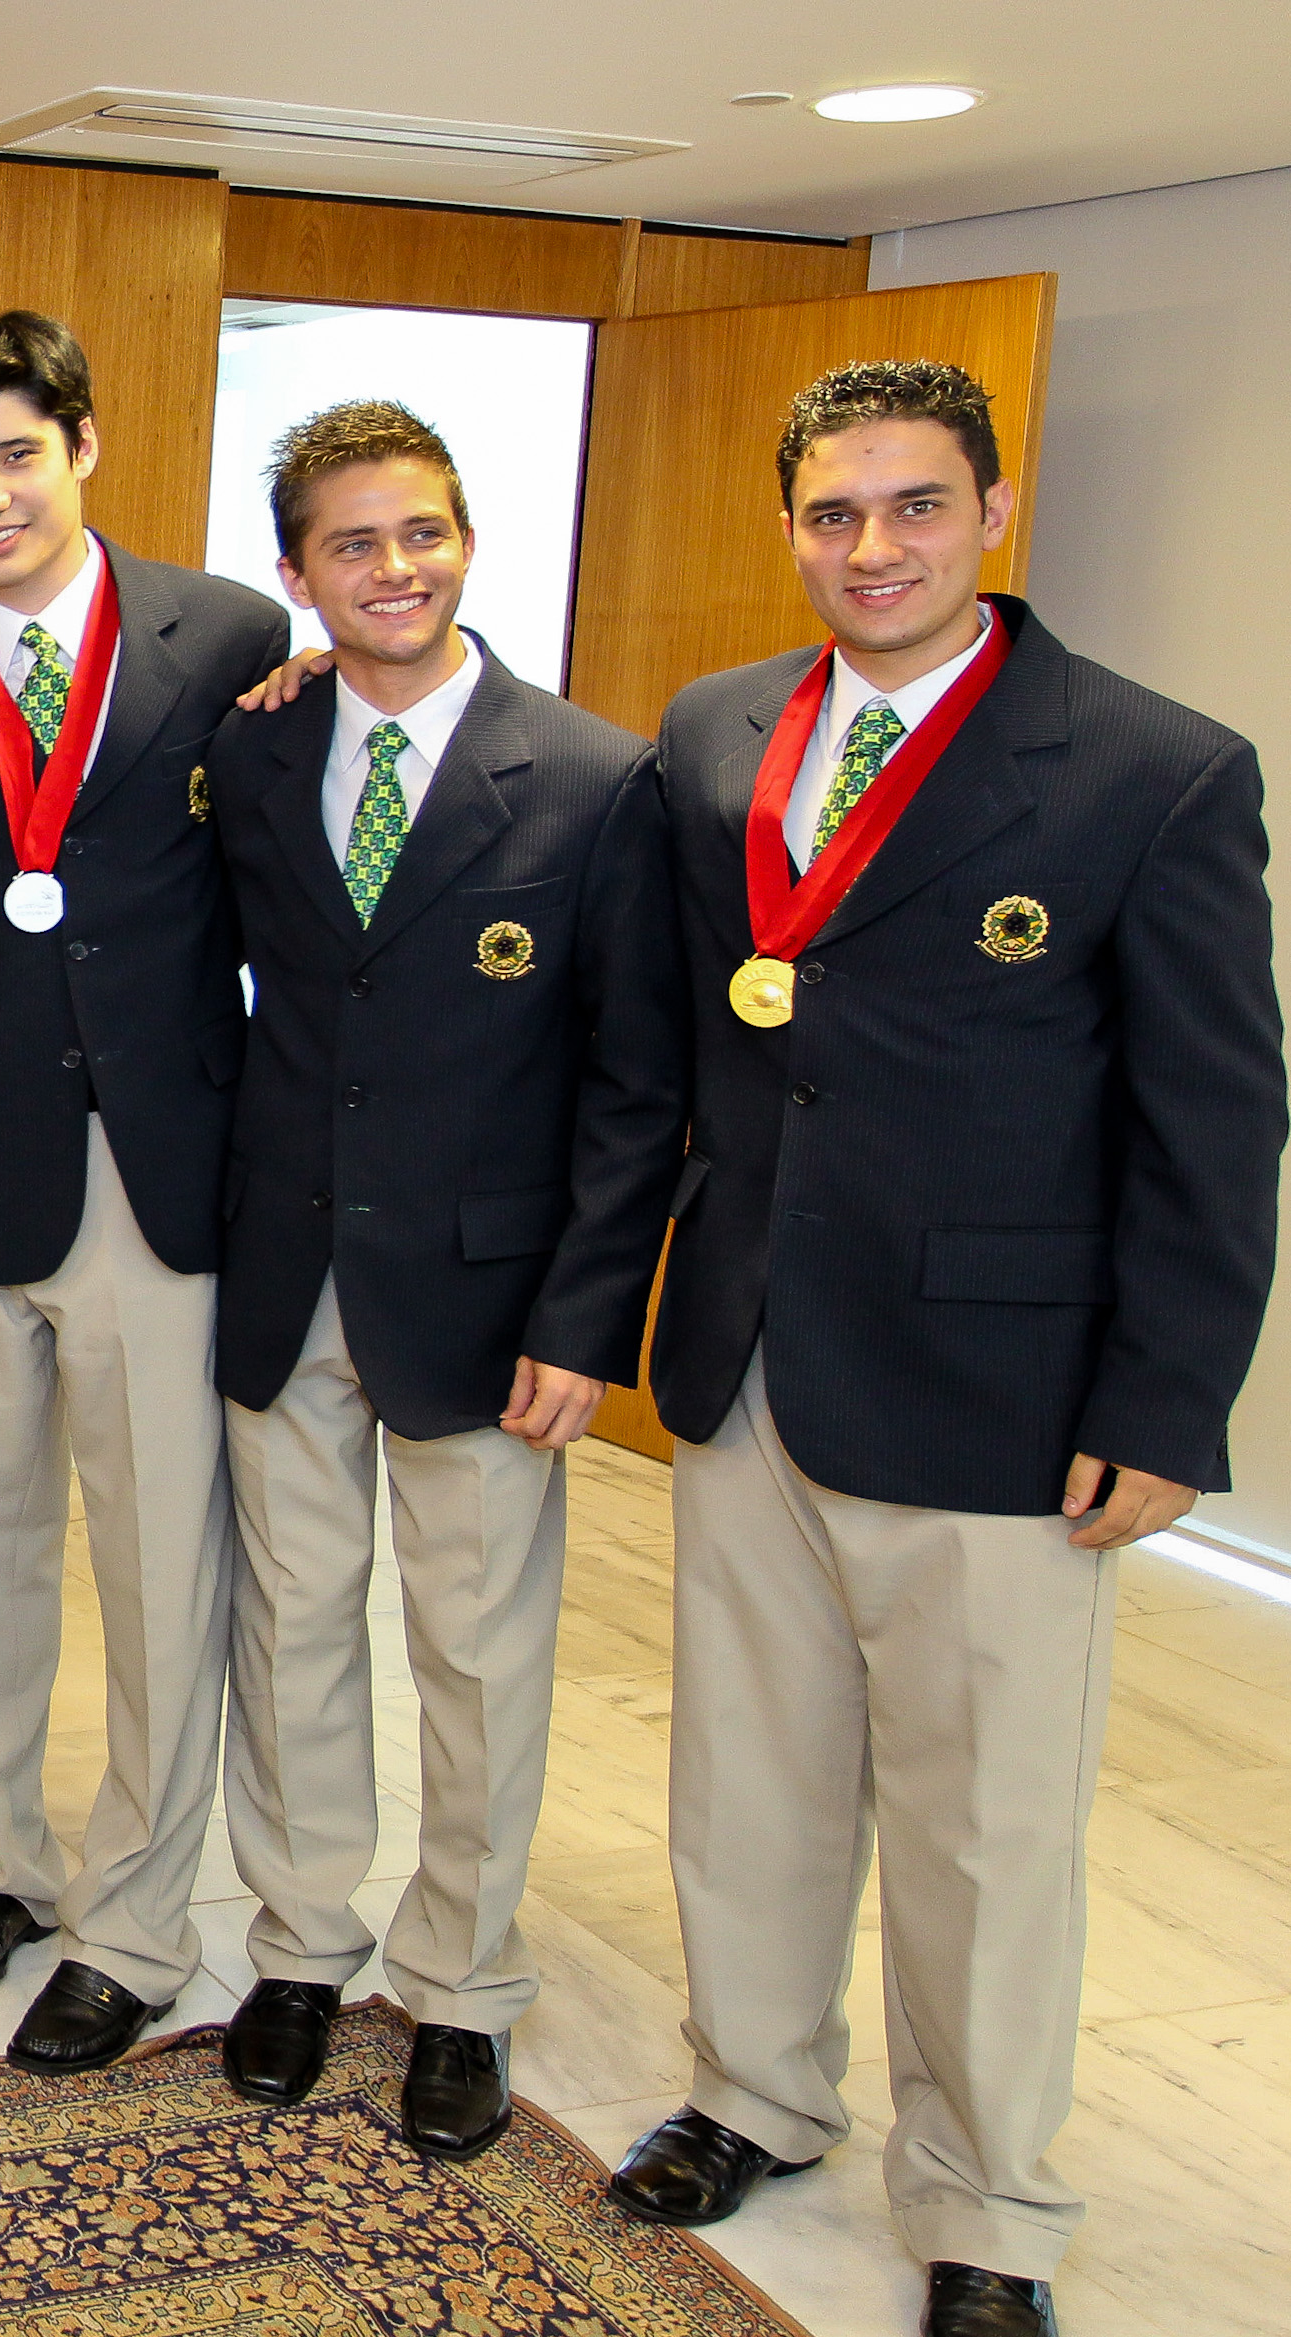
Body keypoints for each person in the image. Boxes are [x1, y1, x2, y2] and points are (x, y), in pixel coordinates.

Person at [608, 361, 1281, 2337]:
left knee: (984, 1829)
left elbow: (1214, 1116)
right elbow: (682, 1038)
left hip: (1000, 1395)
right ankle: (753, 2088)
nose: (871, 546)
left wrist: (1165, 1396)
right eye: (832, 512)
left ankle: (988, 2202)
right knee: (749, 1775)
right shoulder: (722, 731)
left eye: (913, 506)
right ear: (792, 527)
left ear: (993, 511)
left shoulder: (1148, 768)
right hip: (744, 1359)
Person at [202, 402, 683, 2154]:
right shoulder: (251, 752)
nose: (390, 569)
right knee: (291, 1627)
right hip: (284, 1267)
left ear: (465, 540)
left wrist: (581, 1315)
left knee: (474, 1653)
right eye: (351, 542)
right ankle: (301, 1943)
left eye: (420, 532)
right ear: (297, 573)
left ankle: (463, 1980)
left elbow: (637, 1080)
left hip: (487, 1303)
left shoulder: (588, 773)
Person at [0, 310, 291, 2073]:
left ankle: (135, 1919)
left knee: (161, 1563)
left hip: (163, 1173)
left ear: (84, 446)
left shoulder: (232, 638)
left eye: (13, 453)